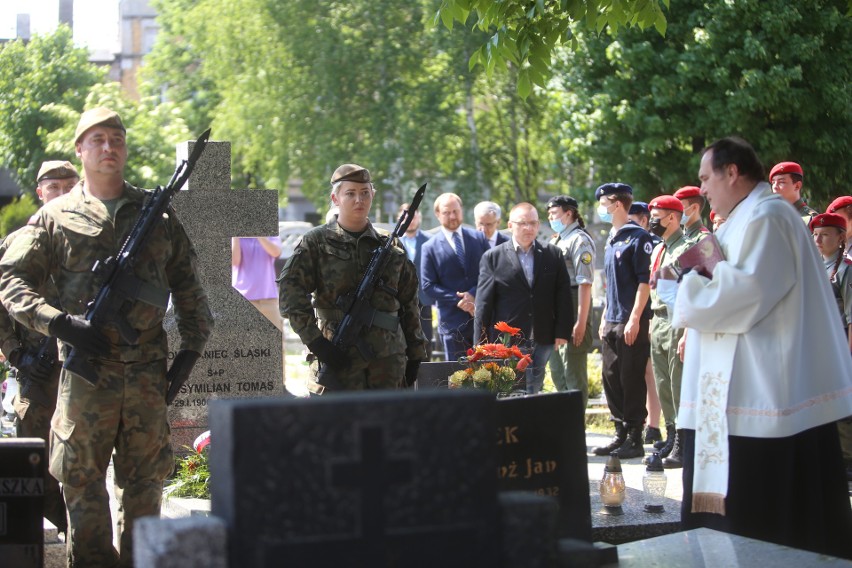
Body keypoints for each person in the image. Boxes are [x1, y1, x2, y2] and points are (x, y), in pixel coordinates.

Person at [0, 107, 214, 567]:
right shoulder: (55, 216)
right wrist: (56, 321)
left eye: (116, 138)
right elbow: (11, 280)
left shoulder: (158, 216)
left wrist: (188, 356)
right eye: (97, 139)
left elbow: (192, 290)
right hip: (85, 380)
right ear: (80, 150)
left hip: (145, 378)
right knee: (82, 485)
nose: (108, 147)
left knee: (145, 489)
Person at [672, 137, 852, 559]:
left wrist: (690, 284)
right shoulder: (741, 218)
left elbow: (747, 294)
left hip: (769, 396)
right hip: (745, 393)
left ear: (732, 172)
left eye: (706, 178)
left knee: (768, 531)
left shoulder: (768, 217)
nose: (703, 189)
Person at [278, 164, 427, 392]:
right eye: (350, 193)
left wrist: (416, 353)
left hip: (388, 363)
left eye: (365, 193)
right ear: (335, 198)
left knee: (390, 426)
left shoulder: (391, 245)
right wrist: (317, 343)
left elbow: (410, 303)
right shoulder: (316, 243)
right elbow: (291, 295)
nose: (359, 200)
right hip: (337, 359)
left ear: (372, 195)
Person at [0, 160, 79, 537]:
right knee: (34, 453)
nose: (62, 193)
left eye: (69, 185)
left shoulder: (91, 238)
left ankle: (79, 531)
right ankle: (48, 528)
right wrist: (17, 354)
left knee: (82, 454)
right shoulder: (17, 242)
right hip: (36, 369)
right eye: (54, 187)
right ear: (40, 192)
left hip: (83, 365)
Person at [474, 203, 572, 394]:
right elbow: (483, 303)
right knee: (508, 388)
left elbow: (563, 295)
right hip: (508, 340)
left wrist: (562, 331)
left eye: (533, 223)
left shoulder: (552, 254)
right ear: (510, 225)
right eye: (522, 223)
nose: (528, 228)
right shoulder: (493, 257)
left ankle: (530, 424)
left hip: (542, 336)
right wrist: (480, 343)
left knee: (535, 386)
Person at [591, 182, 653, 460]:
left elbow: (644, 281)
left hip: (631, 320)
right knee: (611, 376)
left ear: (617, 205)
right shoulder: (613, 238)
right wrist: (605, 315)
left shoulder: (638, 238)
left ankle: (635, 436)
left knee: (631, 378)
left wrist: (636, 318)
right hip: (613, 318)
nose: (600, 208)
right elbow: (610, 285)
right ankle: (618, 433)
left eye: (603, 203)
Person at [646, 195, 693, 468]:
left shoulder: (688, 247)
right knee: (663, 381)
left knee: (678, 382)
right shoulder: (659, 249)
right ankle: (671, 435)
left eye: (657, 216)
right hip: (660, 319)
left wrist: (687, 331)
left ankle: (683, 443)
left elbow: (694, 290)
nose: (653, 222)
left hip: (678, 320)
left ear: (672, 217)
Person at [421, 193, 489, 360]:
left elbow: (490, 272)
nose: (452, 216)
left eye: (455, 211)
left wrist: (473, 294)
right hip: (452, 324)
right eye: (446, 212)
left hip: (481, 319)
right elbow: (428, 285)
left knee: (488, 376)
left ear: (462, 210)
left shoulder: (479, 238)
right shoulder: (429, 247)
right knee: (458, 378)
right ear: (437, 214)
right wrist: (460, 300)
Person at [545, 195, 595, 407]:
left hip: (574, 304)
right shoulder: (557, 239)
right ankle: (564, 422)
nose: (550, 217)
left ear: (569, 213)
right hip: (556, 309)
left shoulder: (579, 240)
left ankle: (576, 430)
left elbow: (585, 283)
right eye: (548, 213)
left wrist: (581, 322)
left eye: (554, 213)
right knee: (558, 371)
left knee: (573, 371)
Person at [627, 200, 663, 444]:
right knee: (630, 372)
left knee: (651, 372)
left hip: (648, 315)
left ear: (643, 219)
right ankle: (634, 424)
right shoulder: (623, 241)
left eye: (633, 219)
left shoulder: (656, 245)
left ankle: (653, 425)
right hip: (627, 315)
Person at [398, 202, 434, 359]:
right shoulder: (394, 241)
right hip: (400, 302)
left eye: (413, 215)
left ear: (419, 217)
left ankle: (428, 381)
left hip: (424, 301)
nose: (410, 219)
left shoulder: (430, 241)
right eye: (406, 216)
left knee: (426, 343)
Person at [232, 236, 283, 331]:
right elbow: (235, 261)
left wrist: (259, 235)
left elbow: (276, 252)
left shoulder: (271, 236)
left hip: (268, 299)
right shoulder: (235, 238)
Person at [769, 161, 817, 226]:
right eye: (773, 182)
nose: (775, 187)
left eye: (781, 182)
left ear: (797, 186)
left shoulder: (810, 219)